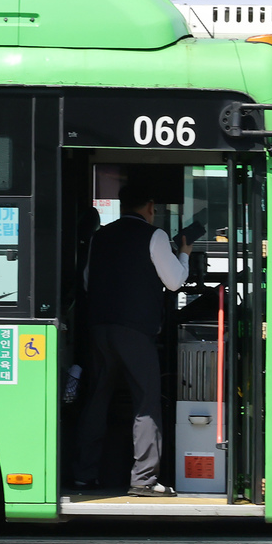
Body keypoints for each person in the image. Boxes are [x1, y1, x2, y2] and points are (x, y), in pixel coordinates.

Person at [74, 183, 191, 497]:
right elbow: (175, 282)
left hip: (99, 329)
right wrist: (184, 254)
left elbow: (87, 281)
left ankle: (84, 475)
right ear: (150, 206)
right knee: (146, 401)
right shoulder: (155, 236)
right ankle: (143, 480)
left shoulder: (101, 236)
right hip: (135, 332)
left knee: (97, 399)